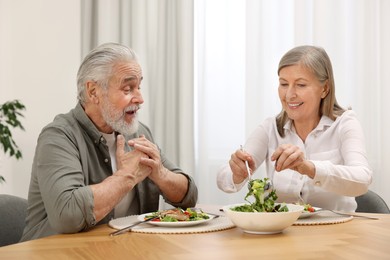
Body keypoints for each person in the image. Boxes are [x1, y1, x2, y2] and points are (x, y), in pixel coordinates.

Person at [20, 43, 198, 241]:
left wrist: (161, 174)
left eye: (139, 87)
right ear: (94, 91)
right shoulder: (58, 136)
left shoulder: (138, 133)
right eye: (128, 88)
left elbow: (189, 197)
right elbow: (67, 215)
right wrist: (127, 176)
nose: (140, 98)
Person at [217, 45, 372, 212]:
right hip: (283, 231)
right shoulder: (270, 128)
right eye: (284, 84)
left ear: (324, 89)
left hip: (337, 231)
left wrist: (309, 168)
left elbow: (362, 180)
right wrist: (237, 173)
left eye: (301, 85)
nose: (289, 94)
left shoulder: (345, 123)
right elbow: (223, 180)